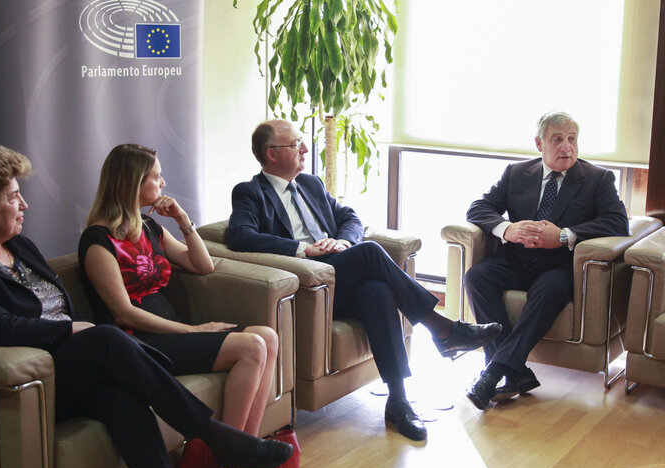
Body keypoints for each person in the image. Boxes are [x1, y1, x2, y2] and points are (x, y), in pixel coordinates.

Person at [0, 145, 293, 468]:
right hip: (39, 377)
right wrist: (67, 331)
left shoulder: (20, 247)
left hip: (77, 366)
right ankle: (216, 437)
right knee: (105, 336)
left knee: (124, 402)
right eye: (14, 197)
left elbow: (202, 265)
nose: (25, 206)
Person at [227, 119, 502, 442]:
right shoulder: (250, 192)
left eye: (302, 141)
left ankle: (398, 400)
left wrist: (342, 242)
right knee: (370, 252)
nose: (304, 148)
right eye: (295, 144)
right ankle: (442, 329)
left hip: (340, 273)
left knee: (378, 292)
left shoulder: (311, 184)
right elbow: (240, 236)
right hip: (307, 286)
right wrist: (305, 249)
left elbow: (350, 218)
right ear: (271, 154)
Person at [79, 143, 279, 437]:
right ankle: (228, 449)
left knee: (268, 336)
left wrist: (183, 220)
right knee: (252, 346)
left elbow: (202, 265)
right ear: (133, 182)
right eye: (156, 177)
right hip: (136, 345)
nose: (163, 183)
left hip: (168, 333)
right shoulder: (98, 241)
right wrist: (193, 330)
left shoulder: (147, 226)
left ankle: (246, 445)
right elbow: (124, 314)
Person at [464, 111, 629, 409]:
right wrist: (508, 229)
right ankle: (515, 372)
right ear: (539, 144)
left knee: (550, 289)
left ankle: (491, 374)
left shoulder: (597, 179)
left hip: (558, 266)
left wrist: (565, 235)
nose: (567, 147)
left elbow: (618, 222)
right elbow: (478, 208)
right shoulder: (516, 173)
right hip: (516, 259)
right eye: (558, 140)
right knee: (476, 276)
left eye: (572, 139)